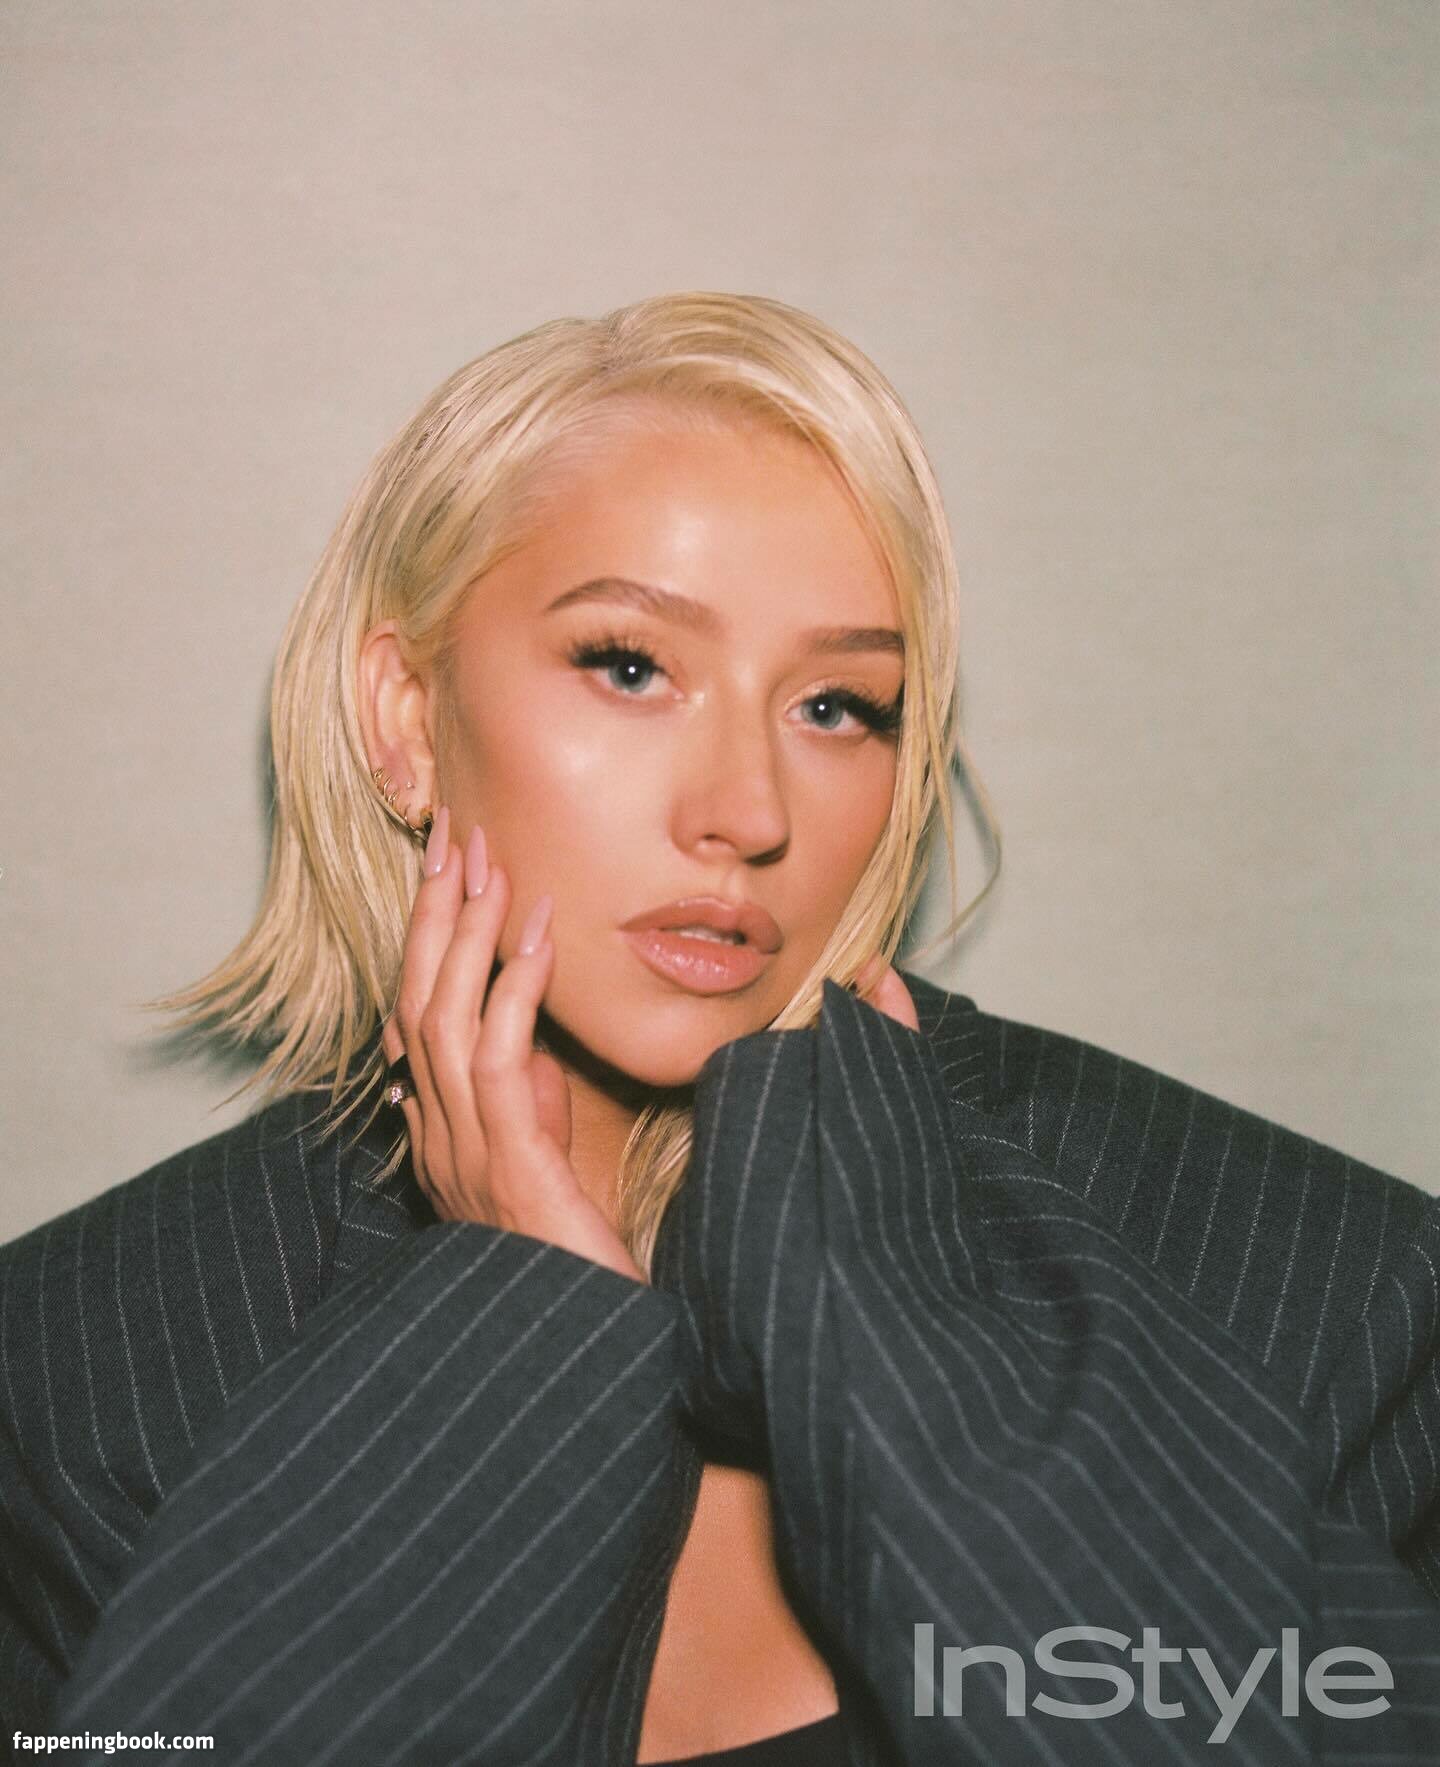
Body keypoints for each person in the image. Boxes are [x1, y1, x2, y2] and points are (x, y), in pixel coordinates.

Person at [2, 293, 1436, 1766]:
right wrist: (513, 1347)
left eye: (838, 706)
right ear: (407, 720)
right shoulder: (92, 1371)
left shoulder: (1322, 1295)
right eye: (630, 667)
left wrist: (891, 1316)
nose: (746, 812)